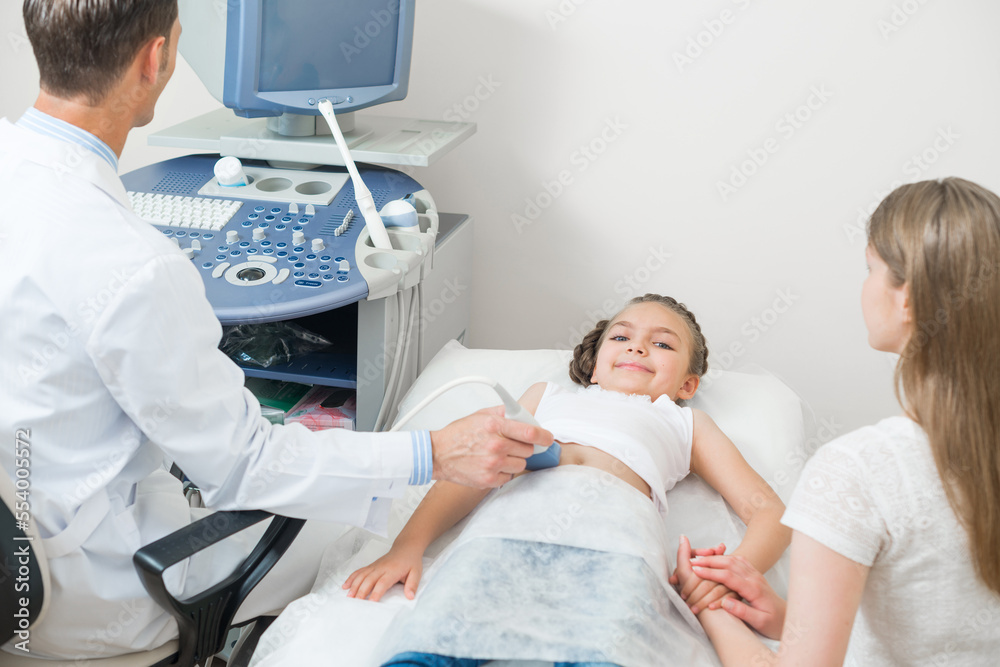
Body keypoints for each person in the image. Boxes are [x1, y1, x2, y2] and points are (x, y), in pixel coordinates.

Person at [0, 1, 552, 660]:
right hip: (82, 595)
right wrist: (434, 451)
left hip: (23, 550)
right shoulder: (134, 264)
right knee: (366, 526)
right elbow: (246, 466)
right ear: (157, 57)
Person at [344, 294, 793, 667]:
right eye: (622, 337)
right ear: (595, 367)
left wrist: (737, 571)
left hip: (617, 547)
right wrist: (408, 546)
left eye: (662, 344)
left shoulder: (685, 424)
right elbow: (474, 470)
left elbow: (769, 511)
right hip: (508, 532)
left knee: (606, 648)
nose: (637, 348)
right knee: (435, 639)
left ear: (688, 385)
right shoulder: (547, 396)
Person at [673, 178, 1000, 666]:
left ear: (905, 297)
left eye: (871, 268)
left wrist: (712, 612)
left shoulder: (859, 471)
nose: (865, 286)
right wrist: (791, 618)